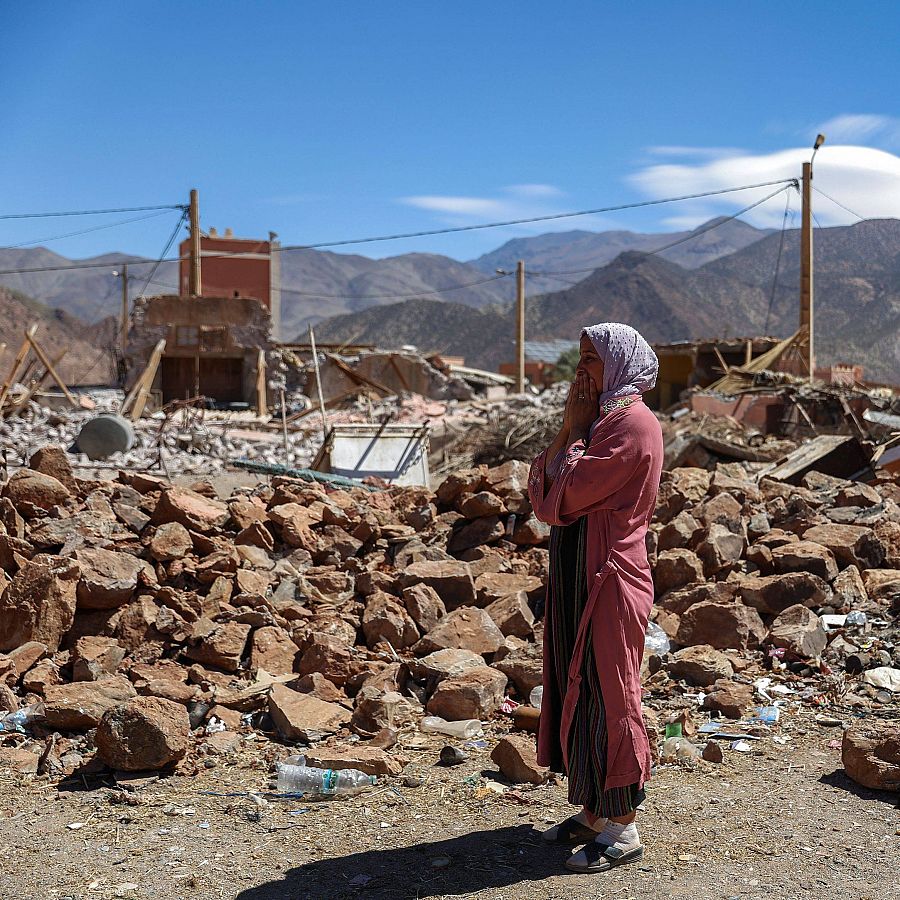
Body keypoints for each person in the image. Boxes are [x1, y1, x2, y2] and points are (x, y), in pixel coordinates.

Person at [527, 322, 663, 874]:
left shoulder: (631, 424)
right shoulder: (599, 421)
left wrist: (572, 436)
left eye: (592, 358)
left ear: (619, 362)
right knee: (575, 684)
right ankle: (593, 810)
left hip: (609, 579)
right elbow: (543, 493)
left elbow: (566, 493)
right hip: (577, 575)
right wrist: (569, 431)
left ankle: (624, 826)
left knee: (610, 691)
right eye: (580, 356)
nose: (582, 368)